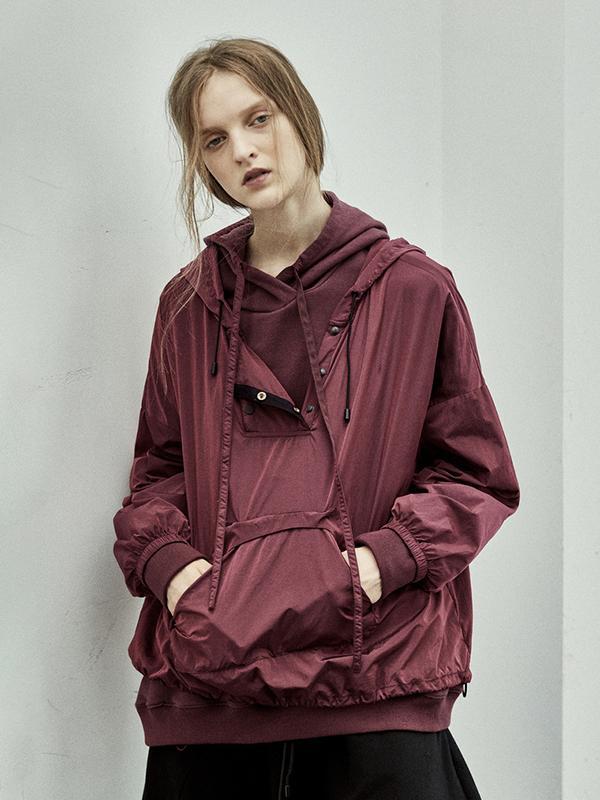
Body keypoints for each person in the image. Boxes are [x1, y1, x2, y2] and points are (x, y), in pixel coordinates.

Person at [112, 36, 520, 800]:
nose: (243, 150)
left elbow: (477, 475)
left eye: (258, 118)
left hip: (376, 686)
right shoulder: (187, 306)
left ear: (299, 114)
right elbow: (159, 469)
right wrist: (175, 574)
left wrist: (380, 564)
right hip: (212, 700)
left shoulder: (414, 289)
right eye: (214, 139)